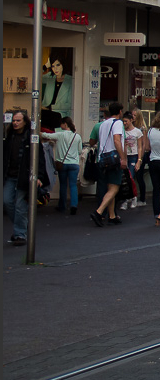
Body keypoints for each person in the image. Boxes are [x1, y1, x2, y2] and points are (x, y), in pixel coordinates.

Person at [4, 111, 42, 245]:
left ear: (25, 122)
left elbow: (39, 157)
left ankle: (20, 233)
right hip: (10, 175)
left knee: (20, 206)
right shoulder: (9, 136)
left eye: (18, 120)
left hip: (24, 176)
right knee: (7, 201)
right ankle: (20, 227)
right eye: (14, 120)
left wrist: (39, 176)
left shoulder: (31, 137)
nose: (15, 123)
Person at [90, 102, 127, 227]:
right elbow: (117, 140)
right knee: (114, 188)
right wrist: (123, 158)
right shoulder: (118, 123)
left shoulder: (103, 124)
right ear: (120, 112)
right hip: (114, 159)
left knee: (109, 187)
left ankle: (112, 216)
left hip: (103, 158)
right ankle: (99, 212)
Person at [40, 116, 82, 214]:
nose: (60, 126)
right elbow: (79, 151)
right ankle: (73, 205)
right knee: (73, 185)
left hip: (62, 164)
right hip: (74, 164)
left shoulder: (59, 135)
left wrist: (37, 131)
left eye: (61, 124)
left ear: (65, 124)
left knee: (63, 185)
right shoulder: (77, 136)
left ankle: (62, 206)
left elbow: (46, 135)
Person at [119, 111, 146, 211]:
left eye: (126, 121)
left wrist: (139, 160)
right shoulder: (122, 131)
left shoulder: (137, 132)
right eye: (123, 121)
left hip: (133, 156)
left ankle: (133, 198)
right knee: (125, 178)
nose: (124, 123)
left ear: (131, 121)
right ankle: (126, 199)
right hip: (125, 155)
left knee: (131, 177)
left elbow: (140, 146)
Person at [40, 50, 74, 124]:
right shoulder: (50, 77)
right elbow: (35, 77)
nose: (55, 68)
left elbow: (70, 104)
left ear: (63, 65)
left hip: (60, 116)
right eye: (53, 66)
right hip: (45, 114)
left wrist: (52, 107)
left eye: (58, 65)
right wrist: (45, 66)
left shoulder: (70, 80)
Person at [130, 107, 151, 209]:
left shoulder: (142, 128)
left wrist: (140, 157)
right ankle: (131, 197)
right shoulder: (130, 127)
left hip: (140, 154)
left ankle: (142, 198)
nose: (133, 117)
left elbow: (143, 145)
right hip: (131, 153)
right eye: (132, 115)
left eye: (135, 115)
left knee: (139, 177)